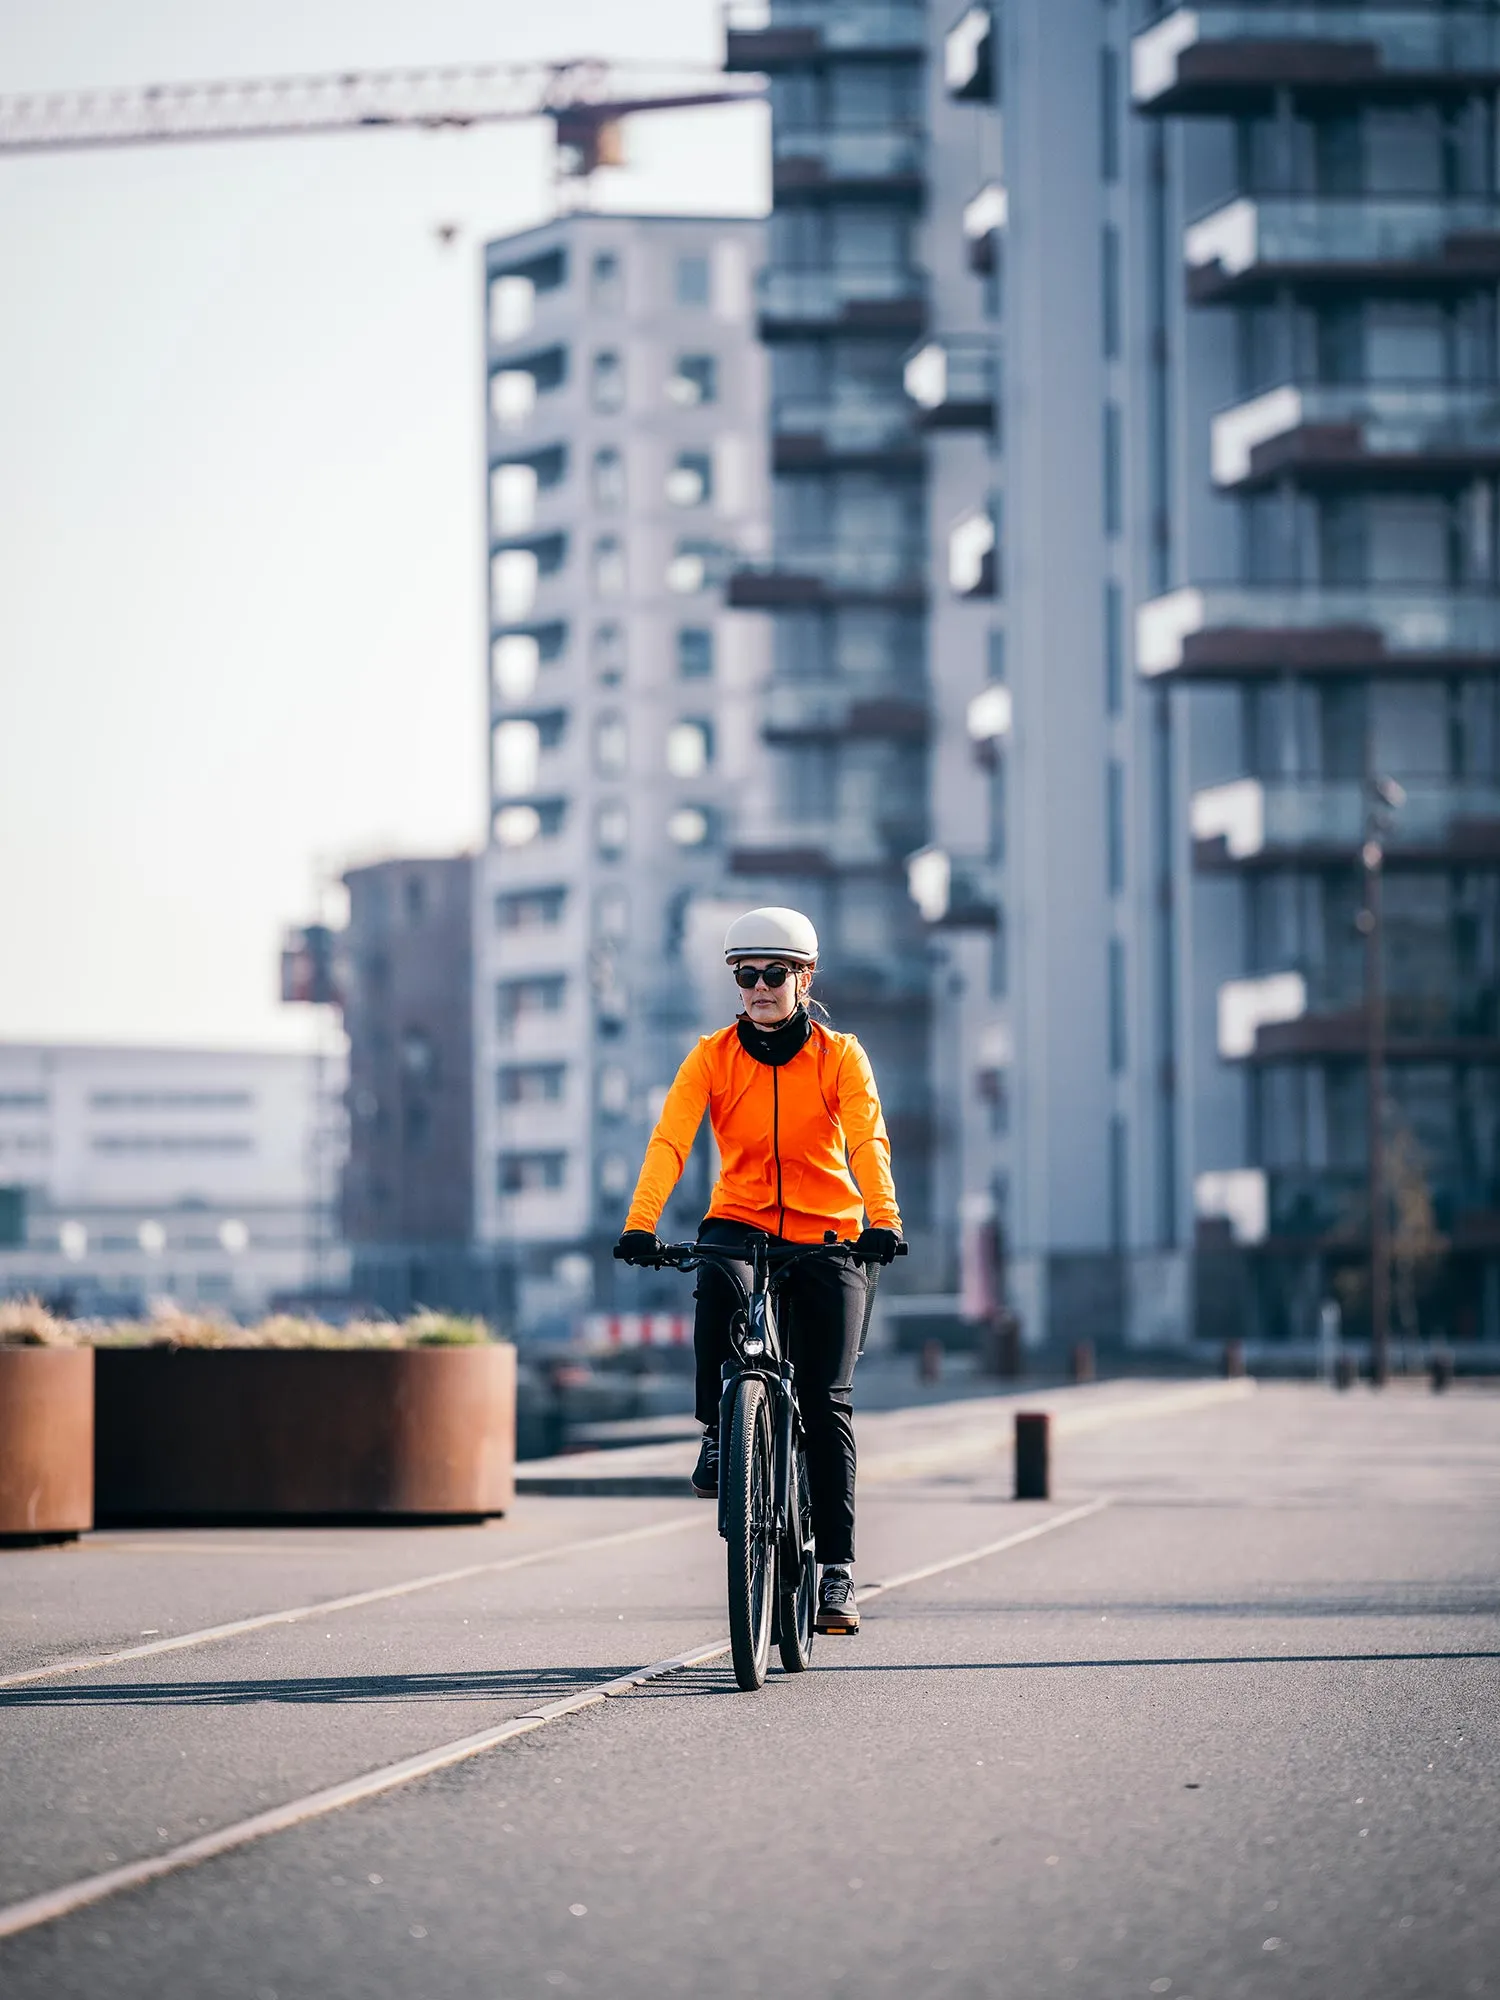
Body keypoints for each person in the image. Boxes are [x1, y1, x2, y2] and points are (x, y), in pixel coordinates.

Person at [614, 906, 903, 1636]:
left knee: (827, 1397)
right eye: (747, 975)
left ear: (804, 978)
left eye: (775, 973)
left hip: (830, 1231)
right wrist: (641, 1222)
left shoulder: (841, 1057)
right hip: (741, 1218)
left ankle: (836, 1573)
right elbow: (671, 1140)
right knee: (715, 1276)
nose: (760, 987)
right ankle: (720, 1427)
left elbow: (867, 1140)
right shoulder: (711, 1056)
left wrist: (883, 1220)